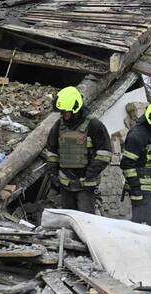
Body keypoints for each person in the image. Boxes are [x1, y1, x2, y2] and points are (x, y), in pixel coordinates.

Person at [44, 86, 112, 214]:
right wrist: (53, 173)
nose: (63, 114)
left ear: (75, 109)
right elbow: (52, 151)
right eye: (61, 112)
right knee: (69, 219)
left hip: (86, 184)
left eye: (65, 111)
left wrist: (90, 174)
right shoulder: (59, 125)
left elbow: (105, 153)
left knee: (86, 220)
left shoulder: (94, 125)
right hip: (66, 184)